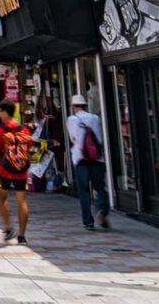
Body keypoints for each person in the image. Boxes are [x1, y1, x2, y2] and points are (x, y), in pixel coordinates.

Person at [0, 100, 34, 244]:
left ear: (4, 112)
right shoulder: (24, 130)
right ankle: (22, 235)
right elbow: (28, 150)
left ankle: (8, 227)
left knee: (2, 198)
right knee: (22, 201)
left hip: (5, 170)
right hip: (21, 170)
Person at [66, 93, 111, 230]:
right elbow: (100, 138)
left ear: (74, 107)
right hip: (97, 158)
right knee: (100, 187)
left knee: (84, 191)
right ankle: (102, 209)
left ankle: (88, 221)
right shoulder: (96, 118)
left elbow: (73, 138)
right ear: (85, 105)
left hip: (81, 159)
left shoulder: (72, 120)